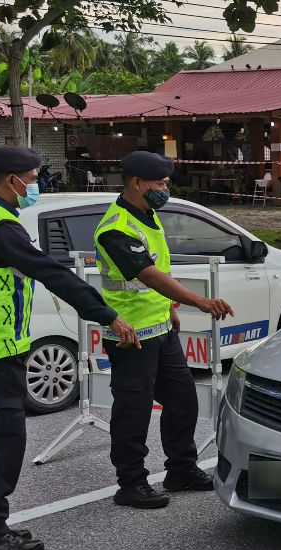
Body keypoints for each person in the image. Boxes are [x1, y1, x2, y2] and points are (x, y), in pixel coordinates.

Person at [0, 146, 139, 550]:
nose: (36, 185)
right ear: (11, 179)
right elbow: (50, 272)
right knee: (2, 441)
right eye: (32, 178)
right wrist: (106, 315)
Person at [94, 151, 234, 509]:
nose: (165, 188)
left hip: (159, 329)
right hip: (130, 336)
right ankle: (131, 483)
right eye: (160, 183)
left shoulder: (146, 216)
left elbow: (158, 273)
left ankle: (181, 468)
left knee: (183, 400)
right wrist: (198, 301)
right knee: (133, 411)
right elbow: (147, 274)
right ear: (138, 183)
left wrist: (170, 309)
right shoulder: (116, 227)